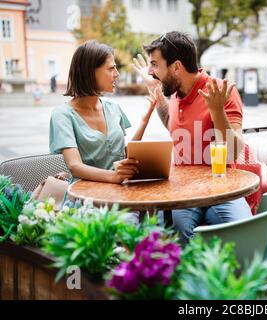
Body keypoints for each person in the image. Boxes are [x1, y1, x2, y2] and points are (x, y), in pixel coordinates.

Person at [132, 31, 252, 244]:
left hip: (222, 189)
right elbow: (171, 122)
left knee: (246, 235)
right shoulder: (176, 93)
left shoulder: (219, 91)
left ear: (176, 67)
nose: (150, 71)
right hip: (183, 191)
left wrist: (216, 111)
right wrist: (156, 90)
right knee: (172, 236)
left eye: (155, 65)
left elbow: (234, 151)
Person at [49, 40, 157, 184]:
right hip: (85, 199)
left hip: (120, 194)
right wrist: (114, 177)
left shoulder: (113, 108)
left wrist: (144, 121)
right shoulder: (62, 115)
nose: (117, 74)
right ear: (90, 72)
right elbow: (75, 166)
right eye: (111, 68)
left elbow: (122, 155)